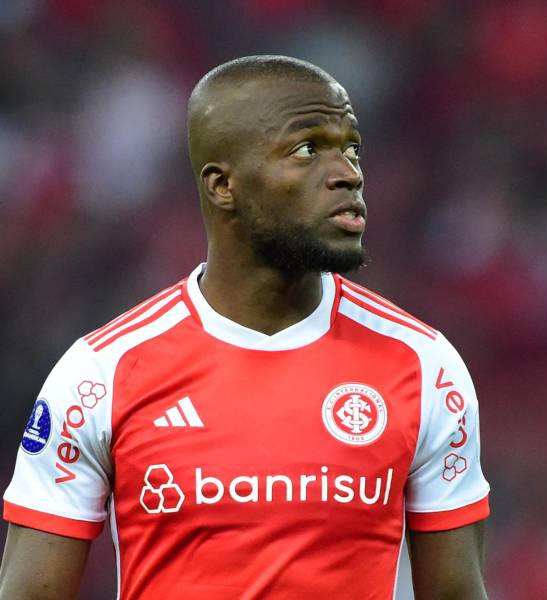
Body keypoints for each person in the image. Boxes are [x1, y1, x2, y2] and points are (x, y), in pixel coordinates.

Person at [0, 55, 490, 599]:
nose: (348, 173)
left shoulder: (424, 367)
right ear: (222, 185)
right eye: (307, 150)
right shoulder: (100, 376)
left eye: (351, 149)